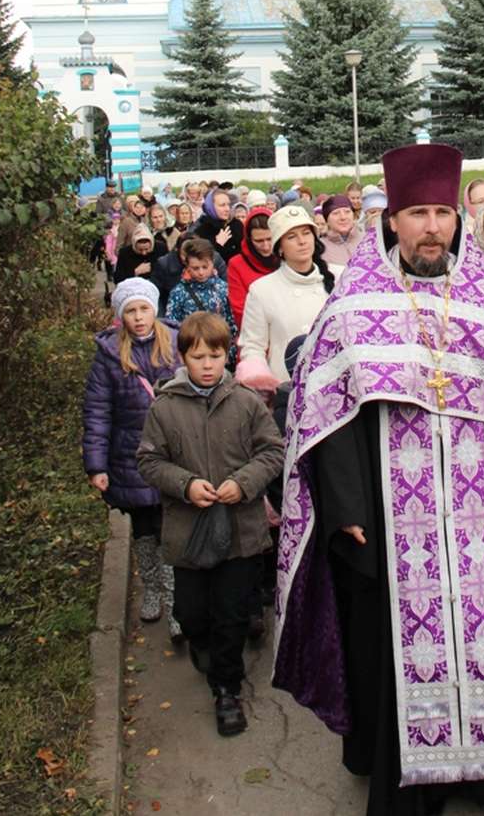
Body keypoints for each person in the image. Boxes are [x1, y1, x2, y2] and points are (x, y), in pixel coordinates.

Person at [272, 144, 484, 816]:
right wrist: (344, 507)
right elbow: (324, 418)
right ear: (391, 220)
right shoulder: (352, 308)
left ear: (456, 219)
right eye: (416, 213)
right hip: (391, 520)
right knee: (397, 651)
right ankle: (408, 790)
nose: (430, 227)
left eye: (442, 213)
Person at [137, 311, 284, 737]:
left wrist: (244, 483)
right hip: (188, 532)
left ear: (227, 356)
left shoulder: (245, 402)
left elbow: (272, 452)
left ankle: (227, 690)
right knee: (192, 612)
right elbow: (148, 460)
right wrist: (185, 484)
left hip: (241, 530)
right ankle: (203, 647)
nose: (207, 364)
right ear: (182, 357)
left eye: (215, 355)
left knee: (232, 612)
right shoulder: (165, 408)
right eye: (198, 356)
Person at [82, 278, 182, 640]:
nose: (139, 318)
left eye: (143, 309)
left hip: (173, 453)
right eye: (130, 311)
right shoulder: (110, 355)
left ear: (154, 309)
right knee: (143, 527)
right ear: (121, 316)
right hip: (130, 456)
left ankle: (176, 602)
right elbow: (97, 411)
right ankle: (152, 587)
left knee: (169, 527)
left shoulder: (175, 343)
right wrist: (97, 465)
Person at [239, 206, 337, 379]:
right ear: (280, 247)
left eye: (306, 233)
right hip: (286, 389)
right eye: (292, 237)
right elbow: (252, 347)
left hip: (335, 386)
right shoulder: (262, 290)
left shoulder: (340, 278)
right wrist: (261, 380)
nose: (302, 241)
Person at [166, 238, 238, 363]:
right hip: (193, 353)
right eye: (195, 268)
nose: (201, 272)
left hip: (221, 352)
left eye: (205, 267)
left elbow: (232, 322)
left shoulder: (223, 289)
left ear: (212, 263)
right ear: (187, 266)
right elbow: (172, 325)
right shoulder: (178, 293)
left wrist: (230, 352)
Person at [227, 207, 279, 328]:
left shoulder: (286, 258)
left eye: (269, 239)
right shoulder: (237, 265)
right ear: (249, 239)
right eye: (259, 241)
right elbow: (240, 311)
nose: (266, 246)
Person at [193, 188, 244, 266]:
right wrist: (217, 244)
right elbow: (201, 262)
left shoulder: (236, 225)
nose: (227, 209)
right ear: (211, 207)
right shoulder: (201, 230)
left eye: (228, 205)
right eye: (222, 205)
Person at [321, 194, 362, 266]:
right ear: (327, 221)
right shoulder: (320, 247)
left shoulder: (367, 240)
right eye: (336, 213)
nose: (343, 217)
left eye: (347, 212)